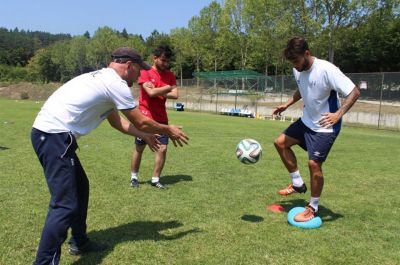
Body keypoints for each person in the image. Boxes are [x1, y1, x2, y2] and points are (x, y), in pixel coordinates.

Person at [31, 47, 189, 265]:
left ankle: (79, 241)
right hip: (53, 136)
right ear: (129, 66)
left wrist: (145, 134)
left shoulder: (104, 80)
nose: (140, 76)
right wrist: (167, 129)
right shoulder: (115, 83)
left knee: (81, 187)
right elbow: (140, 120)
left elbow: (120, 123)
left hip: (50, 135)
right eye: (138, 71)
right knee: (64, 204)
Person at [273, 37, 360, 222]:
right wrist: (287, 104)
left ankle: (313, 207)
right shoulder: (298, 69)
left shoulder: (327, 70)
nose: (295, 66)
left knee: (314, 164)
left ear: (307, 53)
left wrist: (338, 114)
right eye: (292, 63)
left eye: (297, 61)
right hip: (306, 121)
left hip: (325, 126)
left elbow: (354, 92)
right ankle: (297, 183)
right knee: (280, 143)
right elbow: (302, 88)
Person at [130, 45, 178, 189]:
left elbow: (176, 95)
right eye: (163, 60)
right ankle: (134, 177)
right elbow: (150, 93)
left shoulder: (170, 75)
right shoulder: (145, 72)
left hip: (162, 117)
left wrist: (159, 90)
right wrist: (168, 87)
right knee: (140, 147)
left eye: (167, 61)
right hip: (146, 116)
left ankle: (155, 179)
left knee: (162, 148)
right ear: (155, 58)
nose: (165, 63)